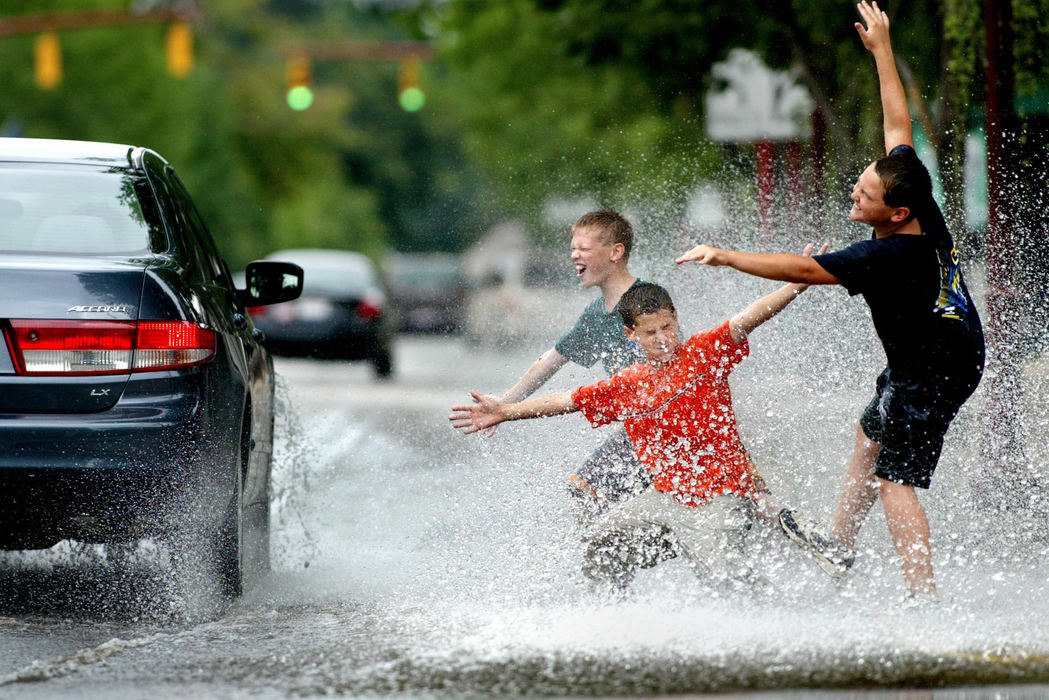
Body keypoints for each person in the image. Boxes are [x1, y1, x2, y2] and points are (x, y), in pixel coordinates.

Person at [674, 1, 985, 602]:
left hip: (937, 370)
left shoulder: (885, 257)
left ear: (894, 213)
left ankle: (926, 604)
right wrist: (883, 52)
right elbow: (899, 126)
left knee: (896, 480)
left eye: (864, 193)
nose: (855, 190)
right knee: (870, 437)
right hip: (933, 347)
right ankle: (838, 545)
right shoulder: (914, 200)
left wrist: (727, 255)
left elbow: (800, 268)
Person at [483, 211, 848, 583]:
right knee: (605, 533)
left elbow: (742, 324)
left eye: (583, 248)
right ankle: (620, 605)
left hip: (696, 455)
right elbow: (561, 384)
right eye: (571, 247)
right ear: (631, 334)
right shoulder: (609, 341)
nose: (661, 338)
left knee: (726, 550)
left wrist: (799, 280)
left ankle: (768, 535)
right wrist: (505, 406)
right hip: (657, 460)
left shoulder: (672, 325)